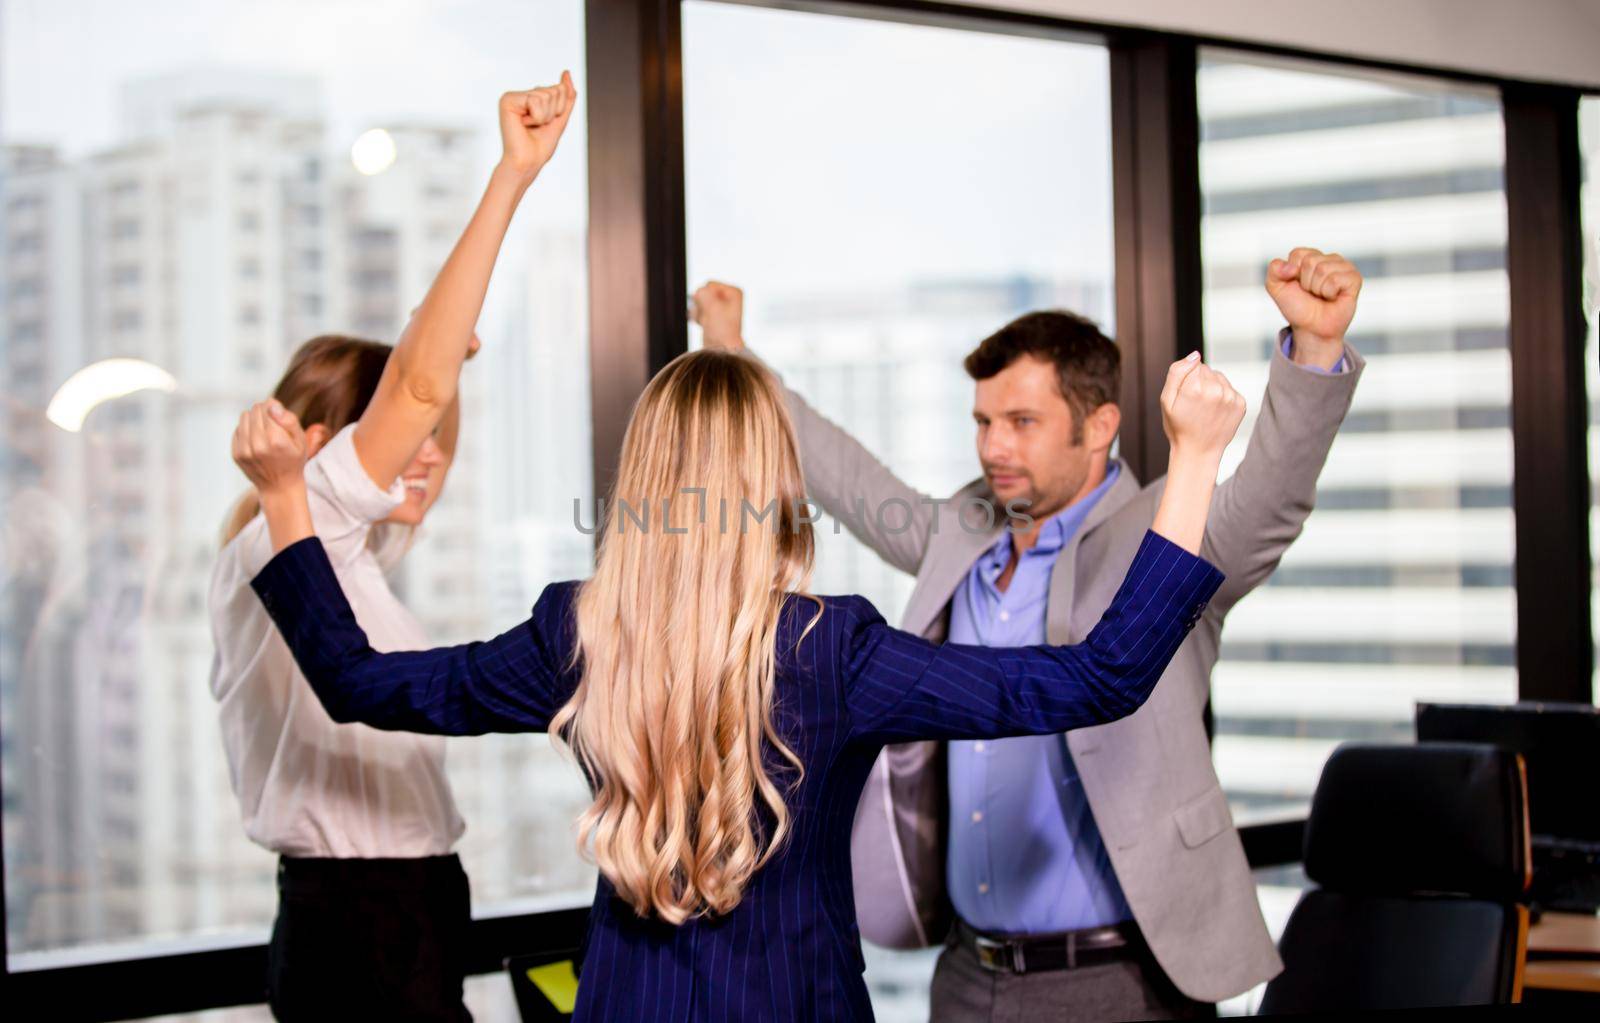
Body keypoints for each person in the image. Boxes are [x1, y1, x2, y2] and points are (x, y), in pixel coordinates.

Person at [229, 331, 1242, 1020]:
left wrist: (286, 498)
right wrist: (1190, 459)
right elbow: (1099, 679)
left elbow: (358, 680)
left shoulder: (570, 633)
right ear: (772, 482)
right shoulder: (833, 649)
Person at [691, 251, 1364, 1021]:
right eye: (983, 421)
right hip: (967, 972)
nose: (993, 448)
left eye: (1021, 422)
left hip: (1121, 979)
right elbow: (842, 472)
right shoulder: (962, 531)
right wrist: (731, 352)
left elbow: (1269, 501)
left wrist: (1313, 352)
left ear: (1099, 426)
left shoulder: (1167, 536)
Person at [208, 73, 577, 1021]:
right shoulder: (282, 536)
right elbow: (413, 387)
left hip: (404, 906)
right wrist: (512, 177)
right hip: (357, 916)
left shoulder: (348, 559)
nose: (429, 455)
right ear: (315, 443)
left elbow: (422, 384)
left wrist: (439, 350)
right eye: (404, 435)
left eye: (437, 439)